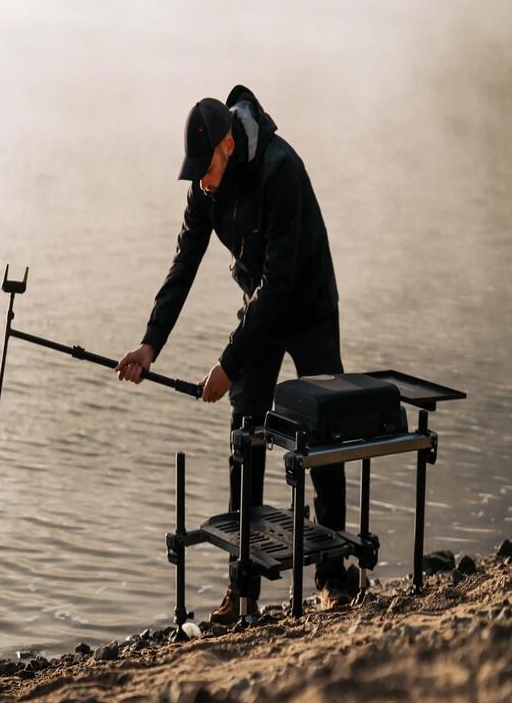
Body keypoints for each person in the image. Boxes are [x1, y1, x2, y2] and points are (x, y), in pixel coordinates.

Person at [116, 85, 353, 623]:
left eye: (206, 166)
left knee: (322, 433)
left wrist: (226, 363)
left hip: (308, 304)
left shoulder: (280, 169)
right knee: (244, 433)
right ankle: (242, 590)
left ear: (228, 145)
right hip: (261, 309)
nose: (201, 179)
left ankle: (334, 578)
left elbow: (281, 280)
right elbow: (184, 265)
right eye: (194, 170)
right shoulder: (205, 188)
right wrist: (151, 343)